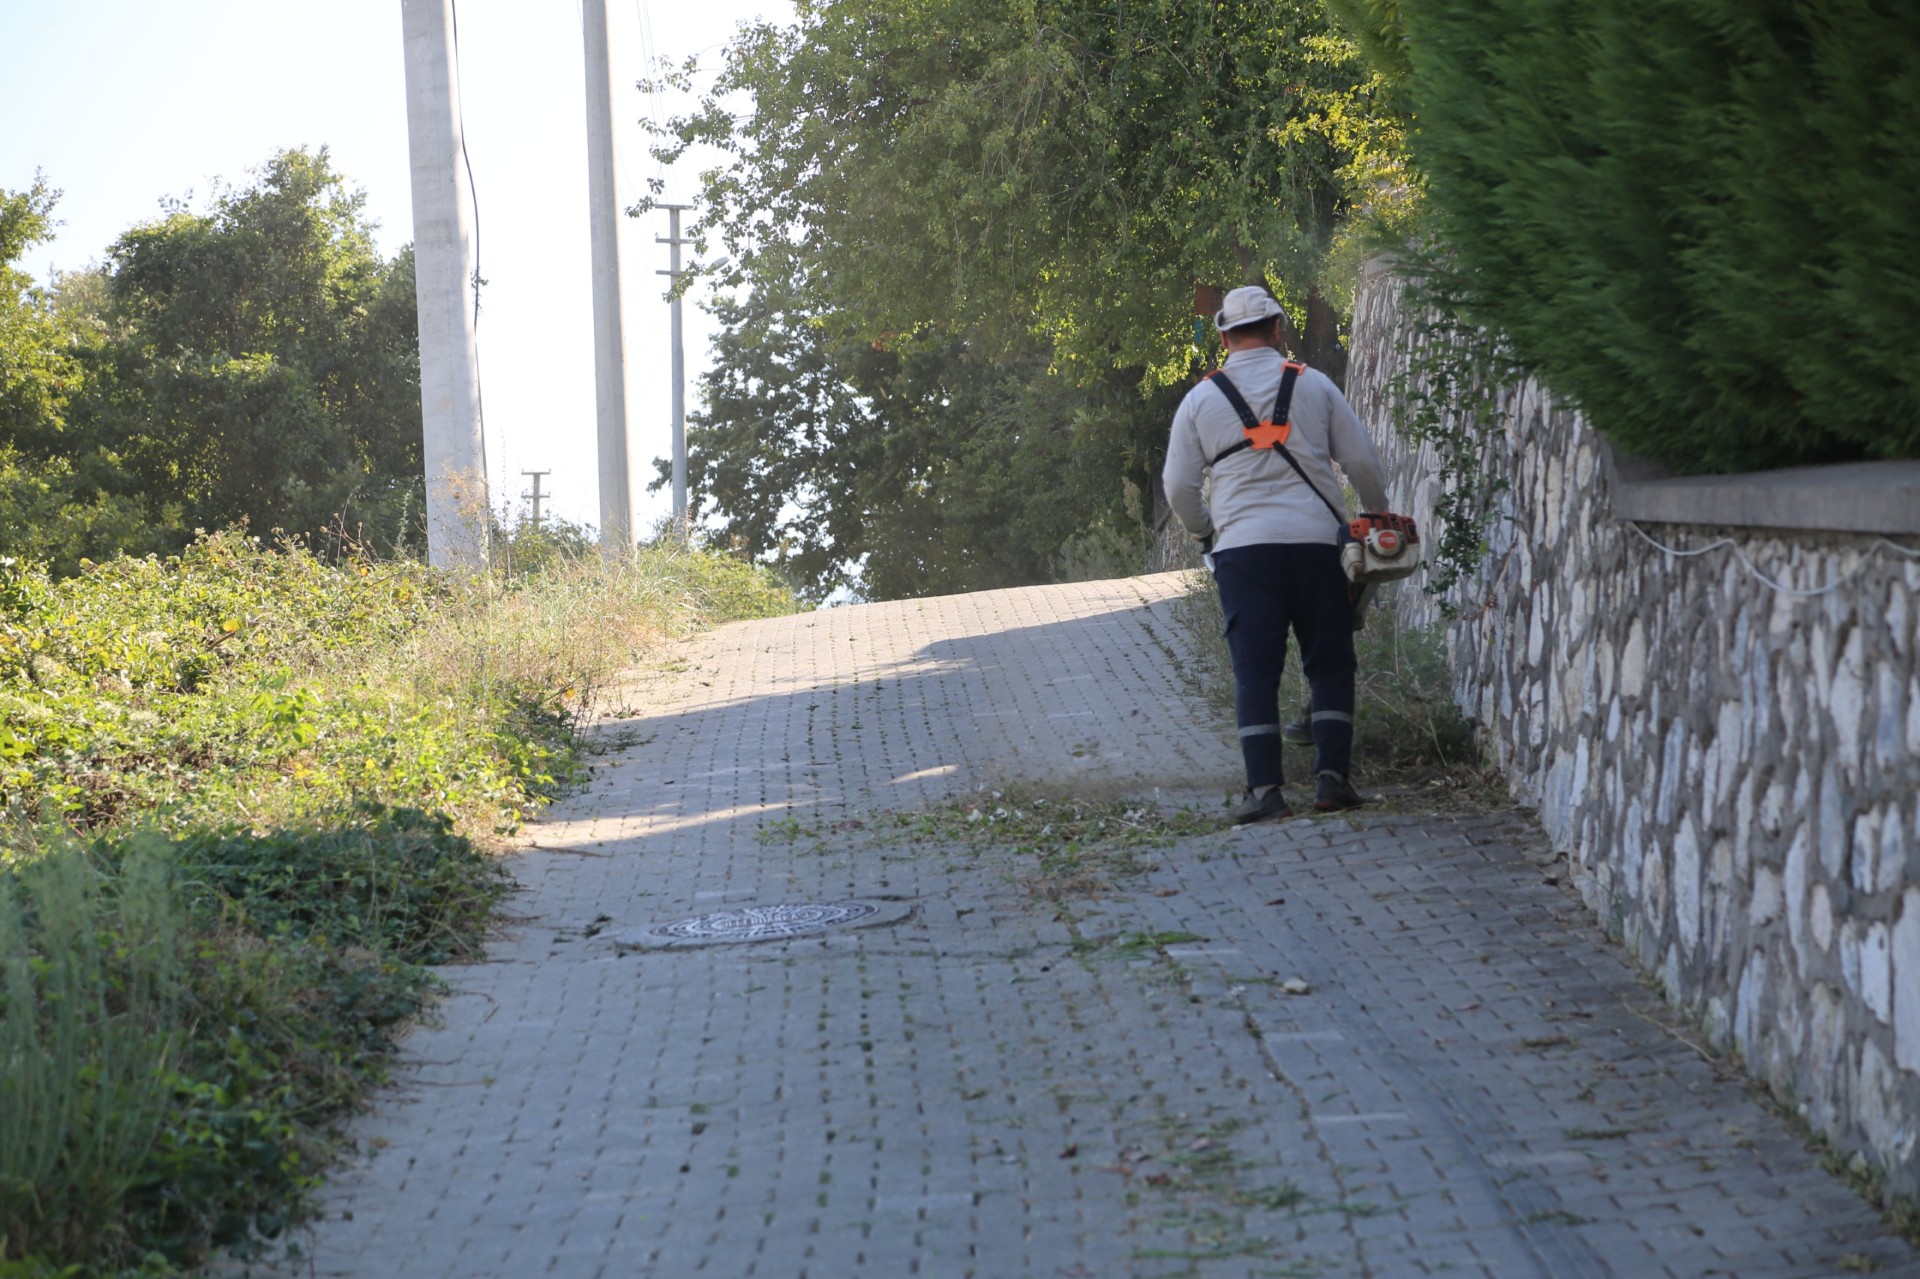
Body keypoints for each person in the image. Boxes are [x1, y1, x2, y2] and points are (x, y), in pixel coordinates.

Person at [1162, 285, 1392, 823]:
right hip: (1317, 546)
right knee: (1331, 662)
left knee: (1255, 673)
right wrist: (1376, 517)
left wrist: (1205, 534)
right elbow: (1362, 463)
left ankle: (1265, 791)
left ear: (1223, 337)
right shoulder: (1314, 385)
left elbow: (1178, 487)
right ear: (1278, 328)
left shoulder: (1200, 399)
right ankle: (1333, 782)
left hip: (1245, 554)